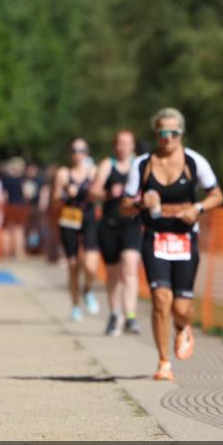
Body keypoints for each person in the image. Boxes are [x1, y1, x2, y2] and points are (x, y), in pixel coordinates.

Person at [122, 108, 223, 380]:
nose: (168, 138)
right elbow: (124, 204)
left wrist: (197, 208)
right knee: (160, 300)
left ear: (181, 133)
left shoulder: (194, 162)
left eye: (173, 133)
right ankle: (163, 362)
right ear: (156, 134)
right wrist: (142, 203)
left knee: (181, 308)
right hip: (154, 237)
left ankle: (183, 327)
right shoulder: (142, 164)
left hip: (185, 238)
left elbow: (217, 195)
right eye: (163, 133)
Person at [91, 130, 142, 336]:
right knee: (112, 273)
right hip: (110, 225)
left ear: (132, 145)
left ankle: (131, 317)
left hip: (132, 224)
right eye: (119, 144)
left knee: (130, 266)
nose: (123, 147)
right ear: (115, 146)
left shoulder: (139, 164)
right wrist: (108, 193)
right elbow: (93, 191)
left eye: (127, 143)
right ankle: (114, 314)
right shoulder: (107, 165)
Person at [53, 137, 101, 321]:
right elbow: (55, 200)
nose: (77, 154)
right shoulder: (64, 173)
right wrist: (66, 193)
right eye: (74, 150)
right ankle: (75, 305)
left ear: (87, 152)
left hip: (88, 217)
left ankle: (88, 289)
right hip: (69, 218)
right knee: (73, 265)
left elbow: (99, 194)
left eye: (81, 150)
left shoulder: (94, 171)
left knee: (90, 264)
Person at [0, 156, 28, 259]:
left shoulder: (6, 179)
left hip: (9, 205)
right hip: (20, 205)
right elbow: (26, 193)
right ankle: (19, 253)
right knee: (19, 230)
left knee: (6, 229)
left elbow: (4, 195)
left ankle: (6, 252)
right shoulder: (22, 179)